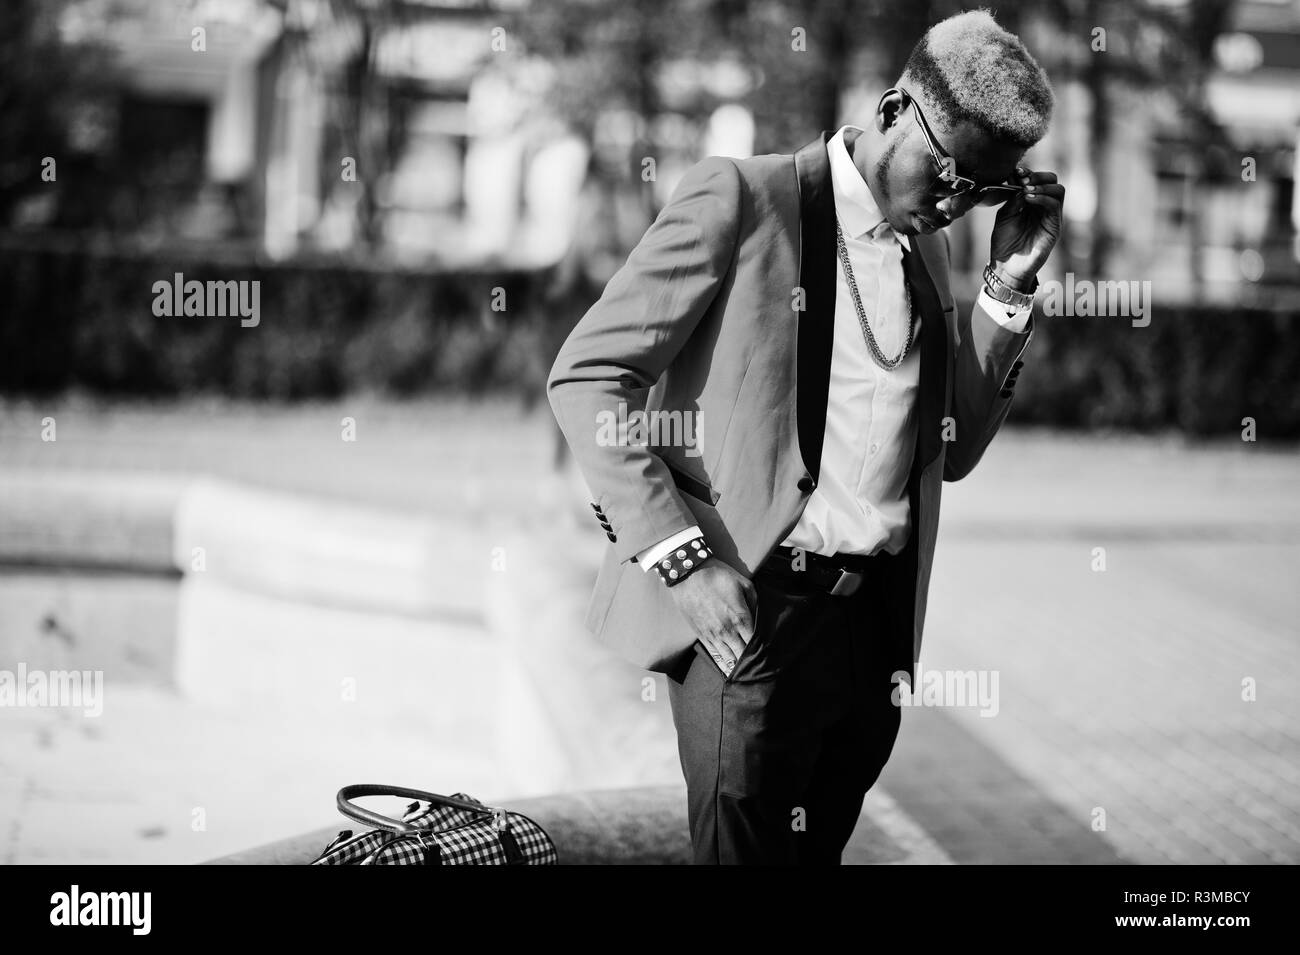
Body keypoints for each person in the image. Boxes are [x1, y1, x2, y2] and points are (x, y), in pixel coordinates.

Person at [547, 9, 1064, 864]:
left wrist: (1006, 285)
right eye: (950, 172)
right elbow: (589, 376)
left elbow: (954, 448)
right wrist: (681, 559)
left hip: (869, 642)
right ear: (896, 110)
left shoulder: (926, 253)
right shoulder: (742, 200)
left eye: (983, 189)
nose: (954, 203)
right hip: (752, 620)